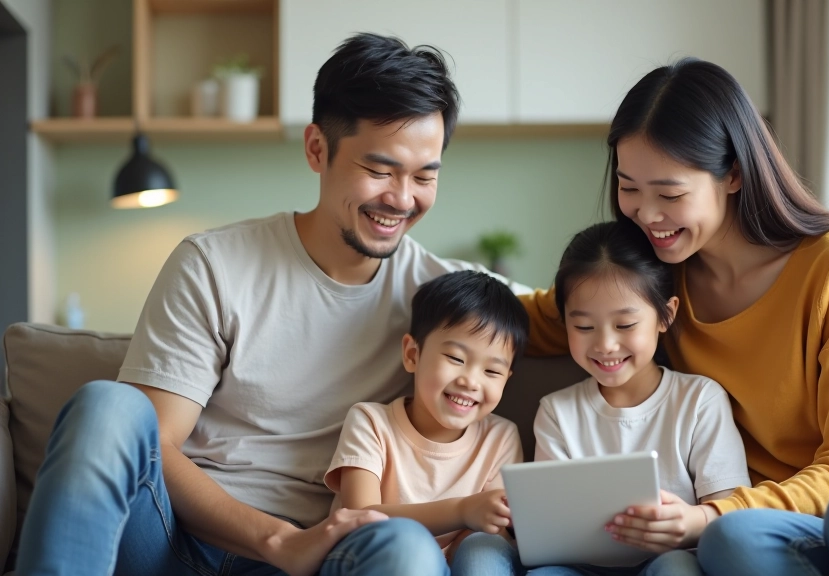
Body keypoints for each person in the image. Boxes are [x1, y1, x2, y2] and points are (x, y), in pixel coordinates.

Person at [18, 33, 524, 576]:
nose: (402, 199)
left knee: (407, 549)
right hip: (173, 542)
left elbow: (590, 316)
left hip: (328, 555)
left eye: (424, 175)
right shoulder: (213, 264)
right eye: (380, 170)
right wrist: (278, 540)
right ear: (316, 149)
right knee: (108, 406)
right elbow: (156, 443)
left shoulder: (445, 303)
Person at [520, 57, 829, 576]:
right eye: (629, 188)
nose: (646, 214)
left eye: (670, 193)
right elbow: (519, 319)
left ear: (734, 174)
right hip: (782, 525)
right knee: (733, 541)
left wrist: (709, 514)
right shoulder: (654, 284)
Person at [525, 221, 749, 576]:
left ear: (666, 315)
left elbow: (730, 509)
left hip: (671, 558)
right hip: (581, 566)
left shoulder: (699, 400)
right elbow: (550, 522)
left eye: (625, 325)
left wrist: (688, 521)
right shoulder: (557, 412)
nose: (605, 345)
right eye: (583, 327)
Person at [327, 270, 529, 576]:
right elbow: (361, 519)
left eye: (492, 372)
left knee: (485, 549)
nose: (470, 381)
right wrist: (462, 510)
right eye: (456, 358)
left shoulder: (501, 437)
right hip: (375, 559)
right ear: (412, 355)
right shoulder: (371, 422)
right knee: (412, 547)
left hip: (458, 561)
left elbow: (491, 527)